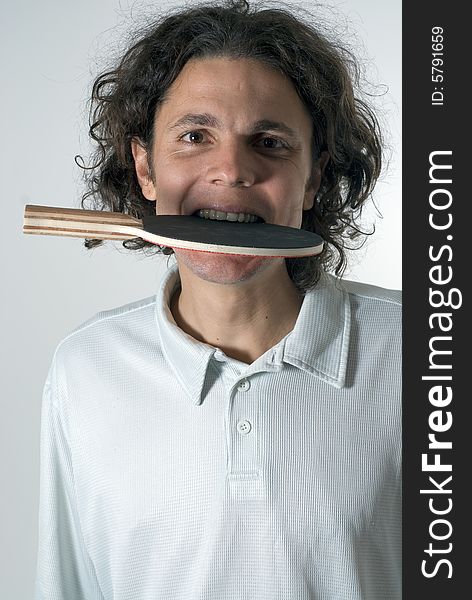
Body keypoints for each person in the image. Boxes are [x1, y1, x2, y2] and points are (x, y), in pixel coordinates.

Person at [34, 1, 401, 599]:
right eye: (194, 136)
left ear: (312, 179)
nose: (231, 170)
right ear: (146, 169)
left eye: (270, 142)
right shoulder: (85, 368)